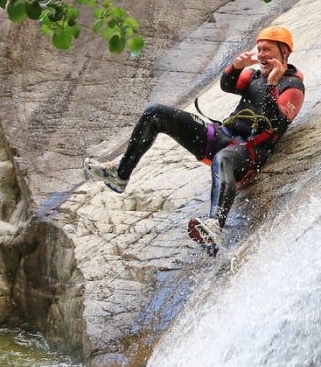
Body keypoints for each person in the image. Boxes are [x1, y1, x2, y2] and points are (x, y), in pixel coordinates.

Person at [84, 25, 305, 253]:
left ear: (284, 53)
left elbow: (277, 121)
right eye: (259, 50)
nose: (261, 56)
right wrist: (236, 66)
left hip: (249, 151)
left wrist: (272, 83)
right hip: (222, 135)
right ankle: (121, 174)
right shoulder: (254, 75)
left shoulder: (293, 86)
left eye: (267, 50)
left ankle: (215, 225)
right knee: (155, 112)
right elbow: (228, 85)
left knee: (223, 158)